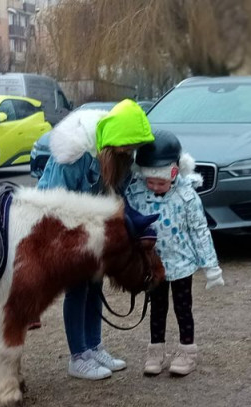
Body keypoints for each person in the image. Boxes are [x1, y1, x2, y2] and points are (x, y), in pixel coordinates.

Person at [37, 99, 155, 380]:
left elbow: (115, 198)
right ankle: (78, 356)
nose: (130, 152)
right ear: (112, 142)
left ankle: (93, 346)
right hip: (66, 229)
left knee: (95, 285)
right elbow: (55, 201)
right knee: (77, 288)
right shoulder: (74, 156)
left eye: (134, 147)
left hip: (93, 230)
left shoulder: (121, 157)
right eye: (127, 146)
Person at [125, 130, 225, 377]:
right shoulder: (136, 194)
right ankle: (155, 352)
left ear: (174, 173)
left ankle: (187, 352)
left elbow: (200, 231)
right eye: (150, 182)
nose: (155, 187)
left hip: (181, 264)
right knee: (157, 308)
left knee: (183, 307)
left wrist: (211, 266)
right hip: (153, 265)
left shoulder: (186, 196)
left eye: (161, 183)